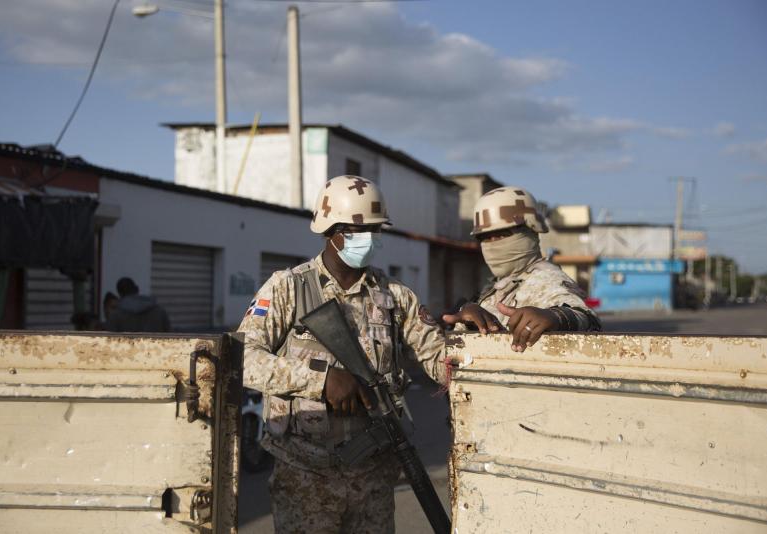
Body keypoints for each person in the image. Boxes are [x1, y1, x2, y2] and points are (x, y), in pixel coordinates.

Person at [237, 175, 499, 534]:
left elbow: (442, 366)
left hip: (374, 477)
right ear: (331, 231)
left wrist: (466, 331)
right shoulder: (288, 289)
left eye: (376, 230)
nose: (370, 239)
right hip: (305, 476)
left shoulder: (395, 297)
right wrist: (321, 380)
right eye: (358, 230)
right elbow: (243, 358)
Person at [455, 186, 601, 351]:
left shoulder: (546, 278)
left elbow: (588, 320)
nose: (493, 244)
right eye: (485, 237)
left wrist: (556, 317)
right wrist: (469, 316)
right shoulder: (501, 285)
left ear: (532, 230)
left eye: (502, 234)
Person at [105, 277, 171, 332]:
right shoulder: (160, 312)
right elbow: (170, 338)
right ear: (137, 289)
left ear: (120, 294)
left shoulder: (115, 316)